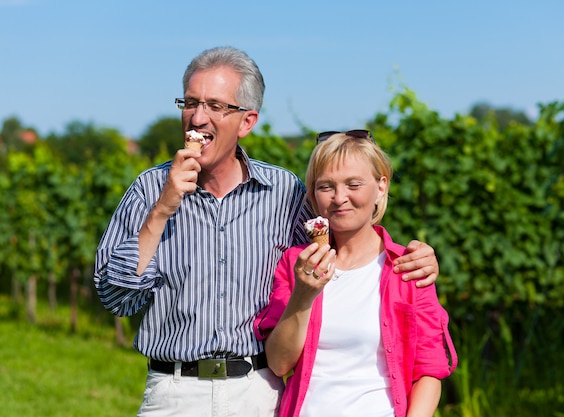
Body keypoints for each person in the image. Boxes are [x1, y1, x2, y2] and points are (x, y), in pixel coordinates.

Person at [94, 47, 441, 417]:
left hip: (258, 391)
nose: (197, 117)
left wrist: (414, 256)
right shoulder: (150, 189)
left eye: (215, 105)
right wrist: (163, 209)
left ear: (247, 121)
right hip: (175, 392)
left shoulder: (285, 192)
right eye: (191, 102)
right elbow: (116, 298)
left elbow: (344, 236)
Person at [255, 130, 457, 417]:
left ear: (381, 187)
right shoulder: (294, 263)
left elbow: (429, 369)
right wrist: (302, 295)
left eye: (354, 184)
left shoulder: (408, 268)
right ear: (313, 195)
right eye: (326, 186)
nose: (340, 198)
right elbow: (278, 363)